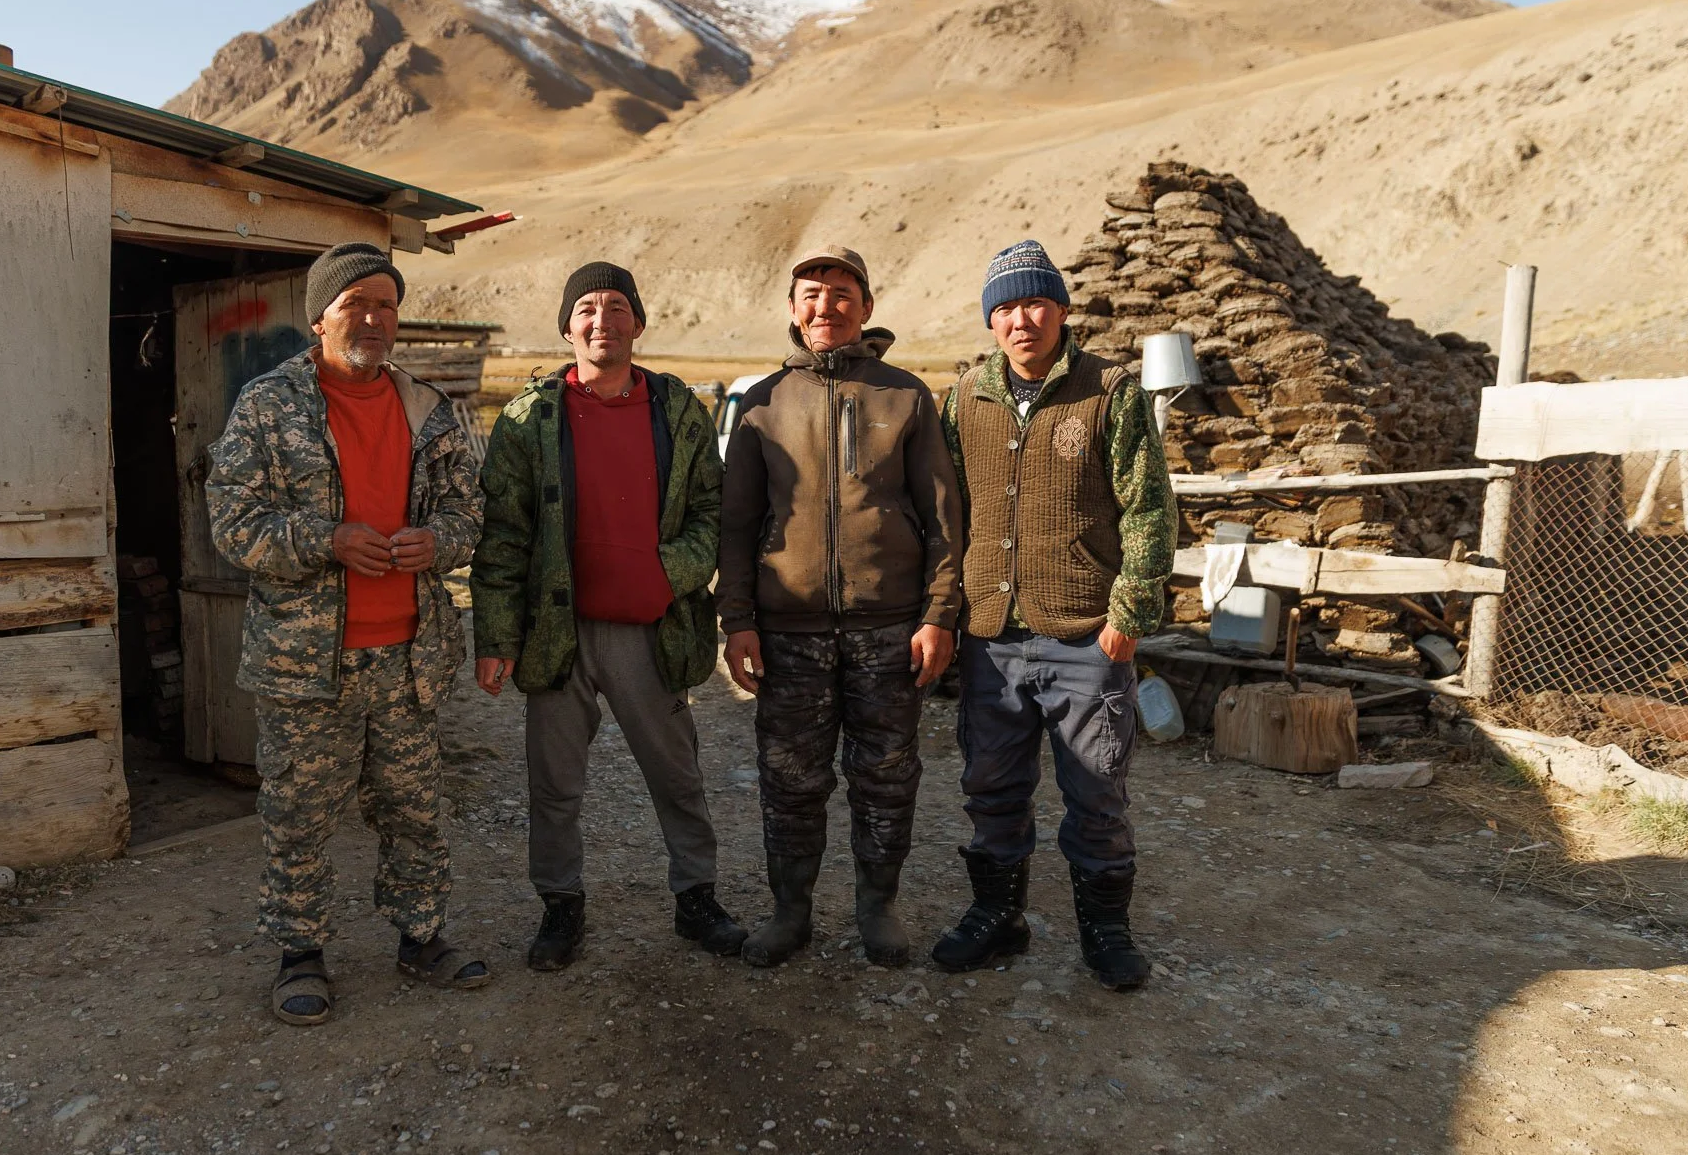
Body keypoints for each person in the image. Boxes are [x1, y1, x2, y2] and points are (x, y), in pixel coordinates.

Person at [208, 242, 488, 1026]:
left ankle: (421, 936)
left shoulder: (431, 409)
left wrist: (442, 542)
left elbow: (470, 513)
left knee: (415, 809)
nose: (371, 317)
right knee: (298, 813)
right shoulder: (268, 405)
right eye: (354, 302)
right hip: (305, 666)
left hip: (409, 656)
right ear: (319, 316)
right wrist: (323, 539)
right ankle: (300, 954)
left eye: (385, 303)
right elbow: (232, 525)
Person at [470, 262, 743, 971]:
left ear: (638, 324)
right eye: (586, 309)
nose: (602, 321)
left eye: (616, 307)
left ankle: (697, 900)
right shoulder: (530, 419)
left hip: (651, 628)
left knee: (675, 772)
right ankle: (561, 909)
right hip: (556, 633)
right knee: (554, 783)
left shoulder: (679, 411)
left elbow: (714, 513)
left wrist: (668, 571)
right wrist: (496, 637)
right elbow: (504, 534)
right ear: (567, 327)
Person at [931, 240, 1178, 990]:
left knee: (1096, 791)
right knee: (991, 787)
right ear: (989, 321)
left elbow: (1149, 508)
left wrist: (1130, 609)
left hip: (1084, 635)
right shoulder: (964, 397)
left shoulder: (1110, 390)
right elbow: (950, 516)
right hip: (991, 638)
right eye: (1003, 307)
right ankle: (998, 917)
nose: (1020, 319)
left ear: (1062, 308)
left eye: (1034, 301)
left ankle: (1105, 931)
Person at [717, 245, 963, 968]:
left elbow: (945, 518)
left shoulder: (906, 396)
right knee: (790, 780)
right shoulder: (762, 405)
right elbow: (735, 526)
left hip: (889, 628)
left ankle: (876, 906)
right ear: (793, 312)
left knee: (887, 776)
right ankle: (789, 913)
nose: (826, 305)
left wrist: (938, 614)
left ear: (867, 306)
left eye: (841, 291)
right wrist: (737, 622)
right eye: (811, 293)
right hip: (787, 632)